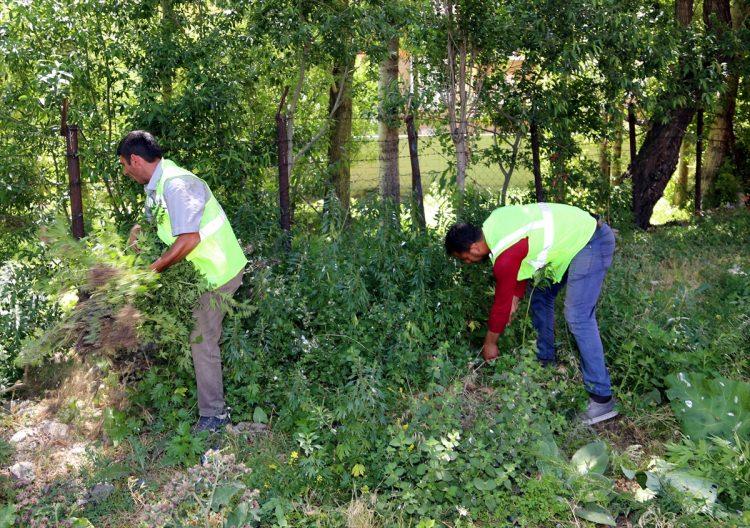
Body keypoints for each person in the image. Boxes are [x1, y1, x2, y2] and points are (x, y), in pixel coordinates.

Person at [117, 130, 247, 432]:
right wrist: (139, 228)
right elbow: (159, 219)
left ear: (136, 159)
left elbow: (189, 238)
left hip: (219, 271)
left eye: (124, 164)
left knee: (201, 338)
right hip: (202, 270)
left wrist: (154, 269)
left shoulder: (176, 184)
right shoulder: (157, 184)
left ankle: (214, 417)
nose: (125, 171)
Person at [444, 203, 617, 425]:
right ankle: (545, 362)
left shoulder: (503, 258)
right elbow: (525, 255)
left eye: (465, 258)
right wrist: (515, 295)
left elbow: (501, 304)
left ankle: (602, 399)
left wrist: (490, 344)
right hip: (576, 241)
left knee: (578, 317)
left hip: (590, 242)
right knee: (541, 296)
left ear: (474, 248)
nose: (468, 263)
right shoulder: (494, 223)